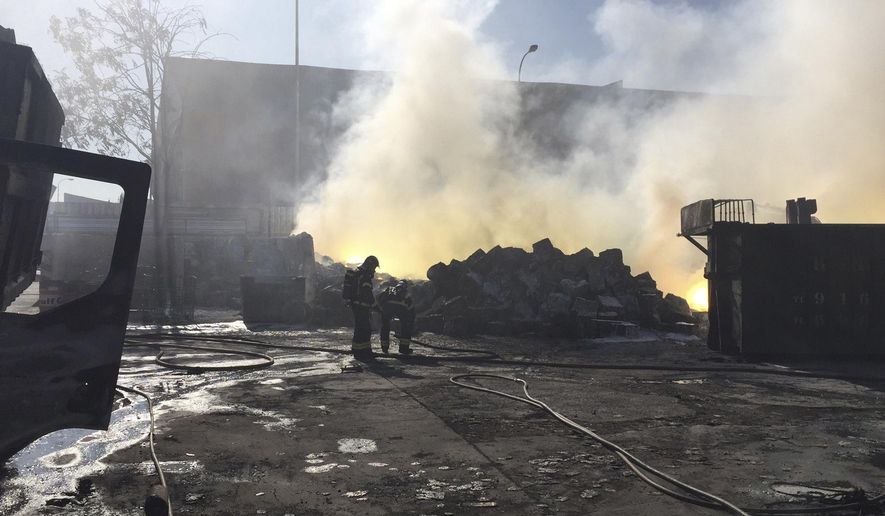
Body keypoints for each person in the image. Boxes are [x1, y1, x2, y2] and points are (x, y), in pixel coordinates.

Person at [348, 255, 379, 361]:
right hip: (361, 306)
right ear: (370, 265)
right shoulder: (365, 276)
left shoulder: (359, 273)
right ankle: (359, 352)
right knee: (362, 329)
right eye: (374, 267)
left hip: (358, 306)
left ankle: (364, 350)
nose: (374, 270)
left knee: (363, 329)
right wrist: (375, 306)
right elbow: (367, 293)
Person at [377, 280, 415, 355]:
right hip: (400, 309)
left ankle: (384, 348)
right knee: (406, 327)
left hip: (387, 308)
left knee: (385, 327)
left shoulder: (389, 290)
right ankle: (404, 349)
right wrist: (411, 321)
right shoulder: (407, 294)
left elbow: (379, 298)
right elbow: (411, 310)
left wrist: (380, 309)